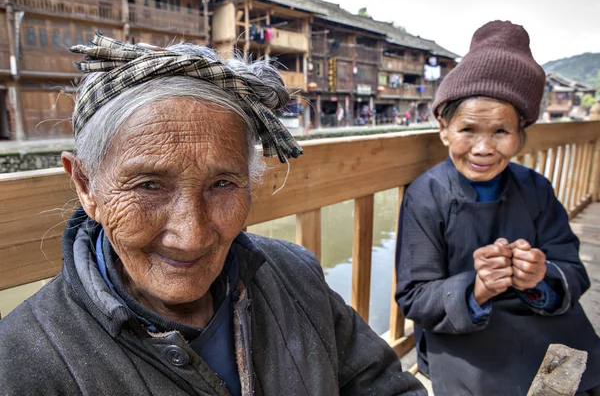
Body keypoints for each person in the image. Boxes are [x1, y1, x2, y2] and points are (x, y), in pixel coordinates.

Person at [0, 34, 425, 395]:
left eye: (222, 184)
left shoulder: (294, 274)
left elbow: (381, 382)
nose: (193, 235)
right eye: (149, 185)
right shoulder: (24, 361)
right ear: (86, 186)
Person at [395, 21, 600, 395]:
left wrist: (540, 276)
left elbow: (573, 271)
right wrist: (477, 289)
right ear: (444, 128)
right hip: (461, 330)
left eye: (500, 132)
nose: (483, 148)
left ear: (521, 134)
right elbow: (415, 297)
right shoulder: (426, 195)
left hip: (537, 321)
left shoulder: (535, 187)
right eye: (468, 129)